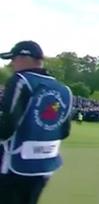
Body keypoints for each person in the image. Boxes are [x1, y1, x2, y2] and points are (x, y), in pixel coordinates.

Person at [0, 41, 73, 204]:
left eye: (13, 58)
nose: (11, 64)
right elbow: (64, 131)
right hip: (44, 166)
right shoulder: (64, 90)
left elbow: (6, 128)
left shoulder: (20, 80)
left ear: (25, 57)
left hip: (13, 165)